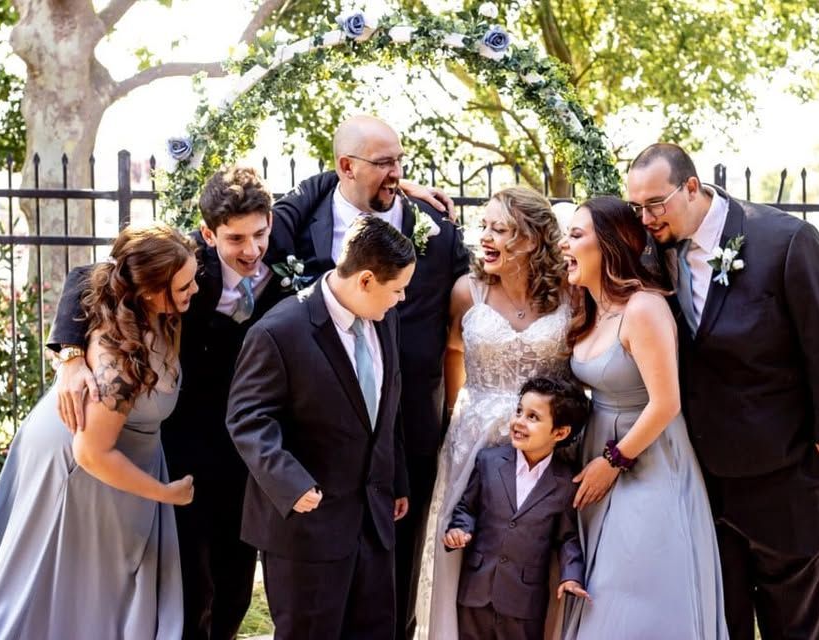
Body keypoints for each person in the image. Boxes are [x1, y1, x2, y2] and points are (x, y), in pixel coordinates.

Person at [0, 222, 197, 639]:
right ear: (151, 290)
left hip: (116, 459)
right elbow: (91, 453)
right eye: (185, 285)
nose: (195, 290)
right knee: (58, 594)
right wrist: (165, 493)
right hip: (82, 467)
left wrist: (71, 352)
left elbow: (90, 272)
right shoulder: (119, 359)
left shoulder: (150, 303)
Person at [626, 143, 819, 639]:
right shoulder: (656, 251)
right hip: (704, 482)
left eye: (654, 204)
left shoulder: (785, 241)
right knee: (720, 625)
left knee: (791, 626)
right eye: (637, 207)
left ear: (691, 187)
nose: (645, 218)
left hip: (786, 478)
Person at [48, 166, 283, 640]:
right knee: (188, 588)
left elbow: (334, 185)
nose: (251, 250)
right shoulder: (183, 267)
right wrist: (71, 356)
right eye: (235, 238)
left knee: (236, 588)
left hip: (248, 456)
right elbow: (87, 277)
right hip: (181, 450)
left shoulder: (287, 260)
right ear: (208, 234)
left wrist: (399, 183)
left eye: (260, 234)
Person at [267, 114, 470, 639]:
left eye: (401, 161)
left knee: (394, 584)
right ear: (345, 168)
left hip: (406, 430)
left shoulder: (436, 227)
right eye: (383, 163)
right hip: (319, 435)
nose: (397, 174)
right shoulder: (303, 218)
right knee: (323, 588)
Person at [225, 216, 413, 640]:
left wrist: (396, 477)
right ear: (366, 280)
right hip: (307, 530)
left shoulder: (385, 318)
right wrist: (292, 484)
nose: (401, 299)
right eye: (397, 288)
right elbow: (248, 419)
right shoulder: (278, 332)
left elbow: (386, 407)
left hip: (374, 522)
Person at [559, 196, 727, 639]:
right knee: (597, 589)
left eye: (576, 236)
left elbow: (666, 402)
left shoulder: (644, 308)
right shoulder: (591, 311)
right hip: (597, 458)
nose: (563, 245)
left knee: (632, 596)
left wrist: (612, 463)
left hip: (647, 460)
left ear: (610, 245)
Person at [417, 187, 571, 639]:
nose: (484, 237)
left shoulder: (568, 293)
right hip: (475, 437)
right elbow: (452, 353)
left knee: (539, 551)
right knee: (465, 546)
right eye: (483, 225)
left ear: (531, 239)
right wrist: (454, 419)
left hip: (545, 443)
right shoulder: (468, 292)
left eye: (499, 229)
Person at [444, 376, 590, 640]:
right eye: (519, 411)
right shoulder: (488, 461)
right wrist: (459, 529)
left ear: (560, 433)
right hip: (476, 592)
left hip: (524, 602)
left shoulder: (566, 482)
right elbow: (467, 508)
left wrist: (572, 577)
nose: (519, 421)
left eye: (533, 417)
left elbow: (567, 538)